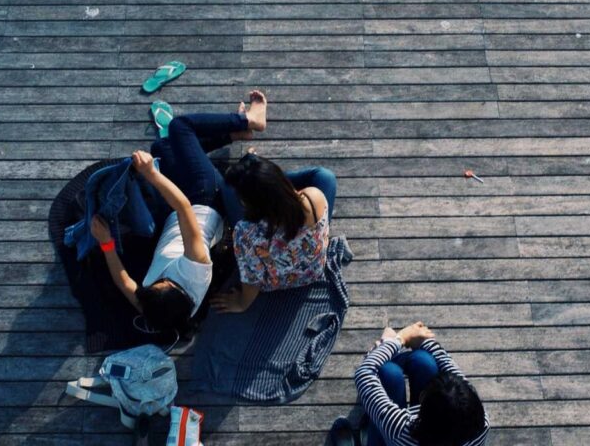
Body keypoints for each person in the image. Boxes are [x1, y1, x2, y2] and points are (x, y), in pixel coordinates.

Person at [89, 92, 268, 334]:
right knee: (180, 127)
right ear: (177, 291)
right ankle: (250, 121)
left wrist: (107, 244)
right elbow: (183, 207)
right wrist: (151, 174)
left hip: (175, 213)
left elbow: (125, 284)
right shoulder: (195, 268)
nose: (156, 282)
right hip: (205, 199)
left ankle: (235, 134)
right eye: (163, 283)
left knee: (161, 147)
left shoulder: (155, 307)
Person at [208, 152, 337, 314]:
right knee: (325, 176)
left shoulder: (246, 232)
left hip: (276, 282)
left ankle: (254, 171)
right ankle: (262, 174)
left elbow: (252, 278)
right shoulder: (313, 197)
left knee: (228, 185)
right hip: (313, 271)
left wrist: (242, 303)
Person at [351, 321, 489, 446]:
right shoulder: (480, 425)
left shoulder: (400, 429)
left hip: (393, 440)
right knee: (423, 362)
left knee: (389, 373)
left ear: (423, 401)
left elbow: (364, 373)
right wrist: (424, 341)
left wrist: (396, 340)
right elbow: (452, 370)